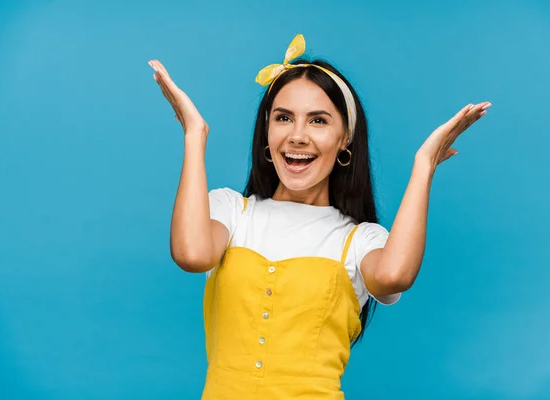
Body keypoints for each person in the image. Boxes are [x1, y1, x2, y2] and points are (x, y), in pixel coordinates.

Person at [149, 34, 490, 399]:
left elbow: (394, 276)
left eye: (318, 121)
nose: (297, 136)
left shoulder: (360, 240)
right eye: (283, 118)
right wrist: (194, 136)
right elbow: (191, 254)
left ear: (346, 138)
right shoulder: (231, 211)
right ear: (267, 131)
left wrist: (424, 166)